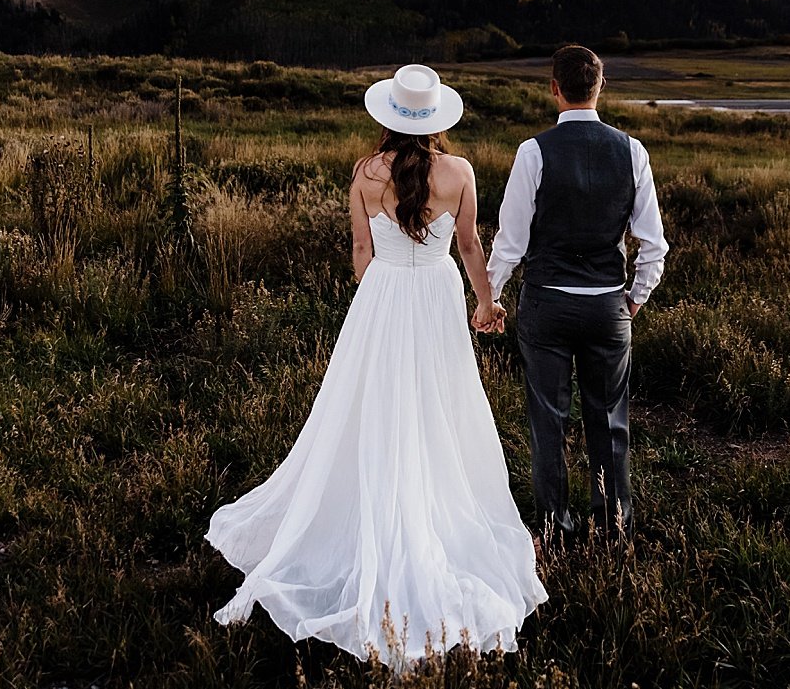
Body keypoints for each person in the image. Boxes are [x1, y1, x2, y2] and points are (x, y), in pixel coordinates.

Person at [206, 64, 546, 668]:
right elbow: (469, 245)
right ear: (437, 118)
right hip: (438, 299)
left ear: (388, 116)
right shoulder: (460, 172)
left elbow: (361, 254)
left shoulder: (365, 174)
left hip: (384, 297)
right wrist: (486, 301)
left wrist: (376, 297)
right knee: (438, 403)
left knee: (373, 403)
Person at [489, 44, 668, 544]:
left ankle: (555, 528)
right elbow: (653, 243)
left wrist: (490, 296)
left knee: (548, 420)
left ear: (553, 87)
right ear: (600, 86)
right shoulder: (633, 151)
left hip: (546, 304)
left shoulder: (533, 152)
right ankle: (613, 528)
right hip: (608, 305)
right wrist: (633, 299)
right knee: (609, 421)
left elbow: (511, 241)